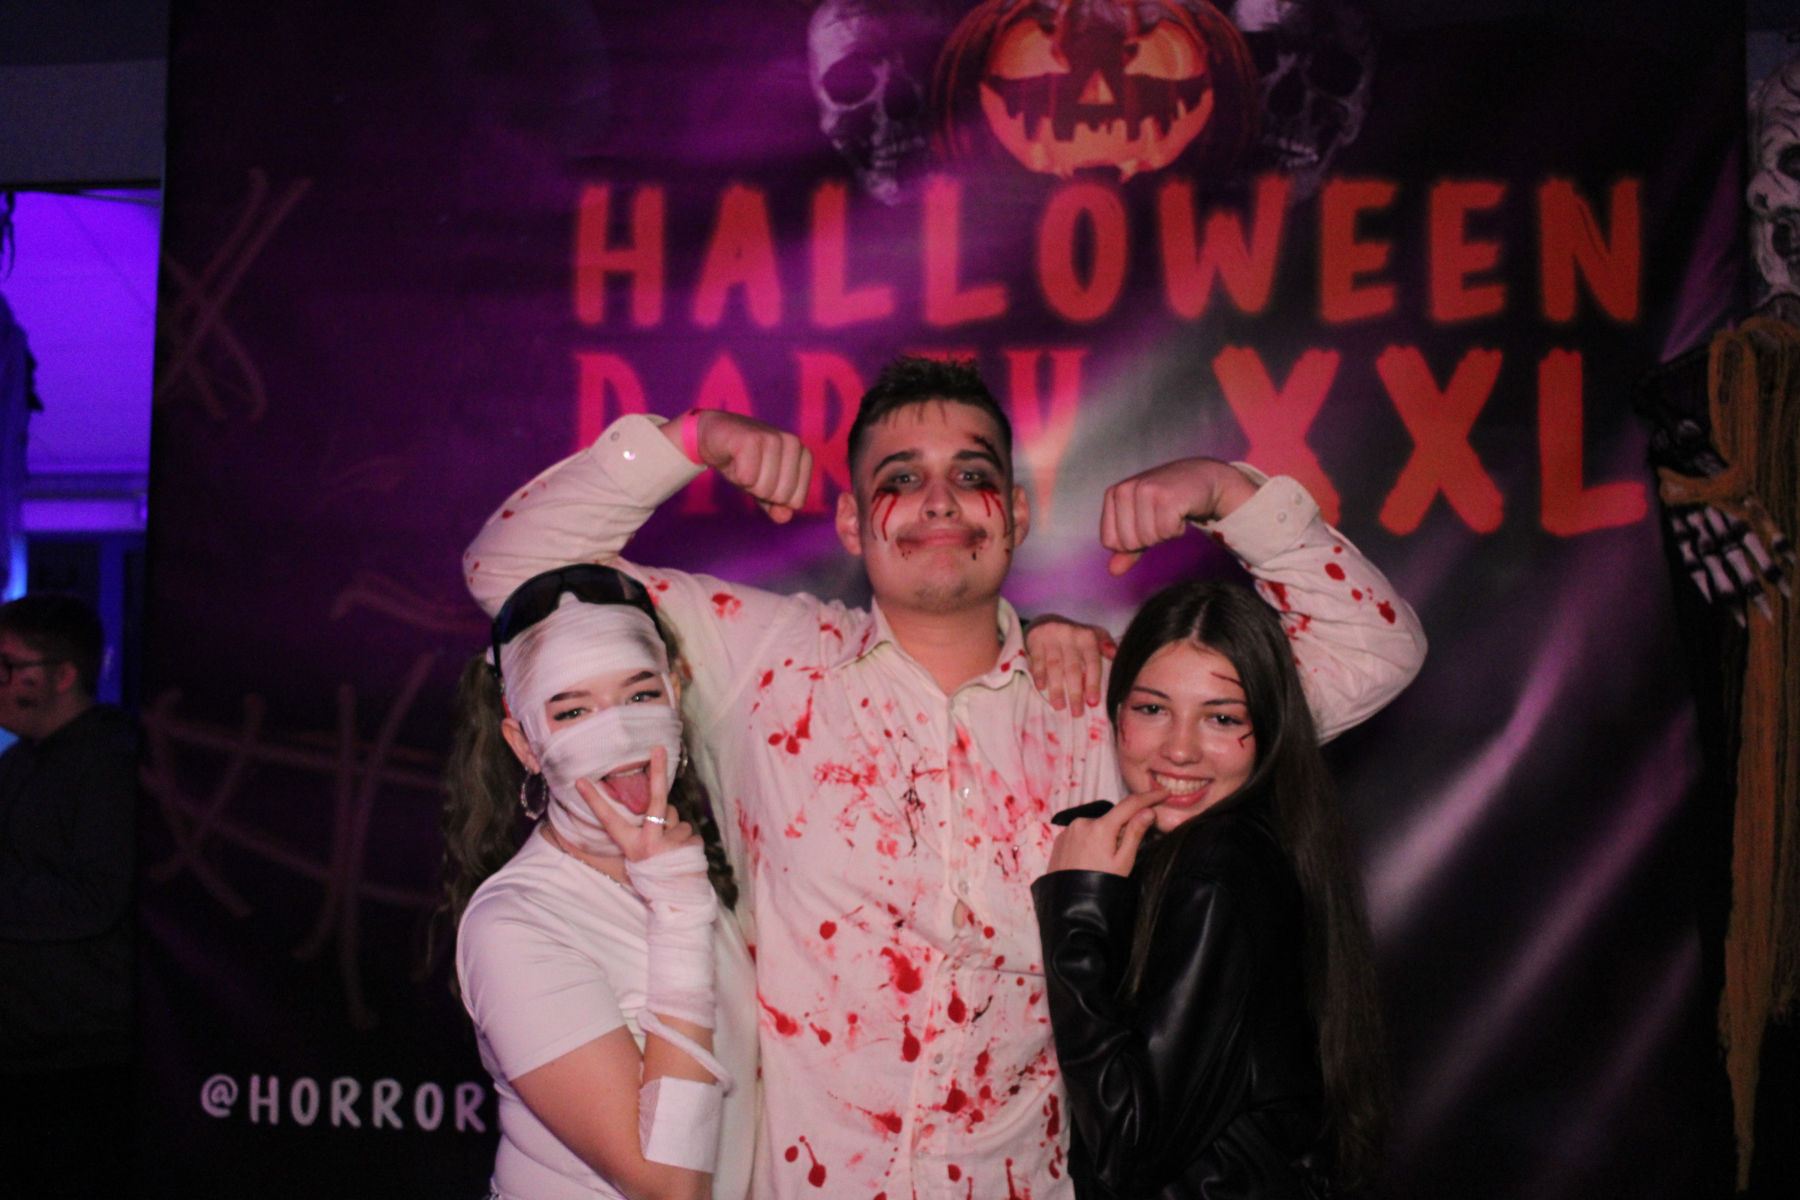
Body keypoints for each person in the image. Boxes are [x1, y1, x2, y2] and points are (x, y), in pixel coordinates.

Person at [462, 355, 1425, 1199]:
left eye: (972, 476)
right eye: (900, 478)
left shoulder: (1113, 702)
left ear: (1015, 515)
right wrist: (690, 440)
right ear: (851, 521)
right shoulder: (761, 662)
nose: (937, 501)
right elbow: (514, 578)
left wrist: (1230, 492)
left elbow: (1373, 655)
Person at [1034, 581, 1390, 1199]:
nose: (1180, 749)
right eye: (1152, 709)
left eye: (1222, 718)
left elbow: (1127, 1141)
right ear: (1116, 713)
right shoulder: (1248, 846)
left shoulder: (1217, 867)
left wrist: (1077, 903)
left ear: (1270, 729)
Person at [442, 564, 758, 1200]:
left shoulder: (693, 861)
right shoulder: (513, 926)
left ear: (674, 694)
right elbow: (669, 1186)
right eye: (573, 710)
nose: (617, 733)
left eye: (640, 697)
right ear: (524, 743)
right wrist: (677, 910)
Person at [0, 593, 139, 1197]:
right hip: (29, 1046)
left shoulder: (112, 763)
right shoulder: (20, 761)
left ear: (63, 676)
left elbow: (94, 898)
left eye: (9, 667)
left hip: (79, 1057)